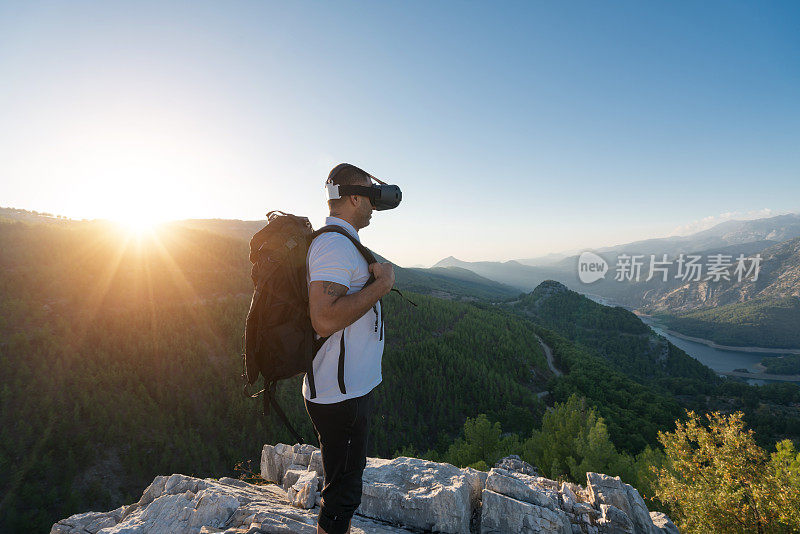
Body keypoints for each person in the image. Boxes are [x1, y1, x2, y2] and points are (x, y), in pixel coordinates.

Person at [304, 163, 395, 534]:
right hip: (341, 395)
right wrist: (381, 286)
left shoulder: (341, 243)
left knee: (344, 480)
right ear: (354, 198)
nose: (374, 206)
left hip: (346, 390)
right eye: (370, 198)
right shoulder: (333, 246)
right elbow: (323, 319)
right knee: (343, 491)